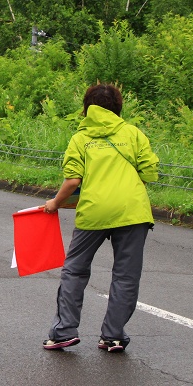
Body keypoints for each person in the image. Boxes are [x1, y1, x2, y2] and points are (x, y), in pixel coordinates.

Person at [41, 83, 159, 353]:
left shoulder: (80, 139)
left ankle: (64, 333)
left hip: (93, 212)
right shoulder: (132, 133)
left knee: (75, 270)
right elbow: (150, 172)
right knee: (126, 276)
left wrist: (55, 203)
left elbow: (73, 180)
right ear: (118, 108)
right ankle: (113, 336)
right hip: (132, 211)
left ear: (87, 108)